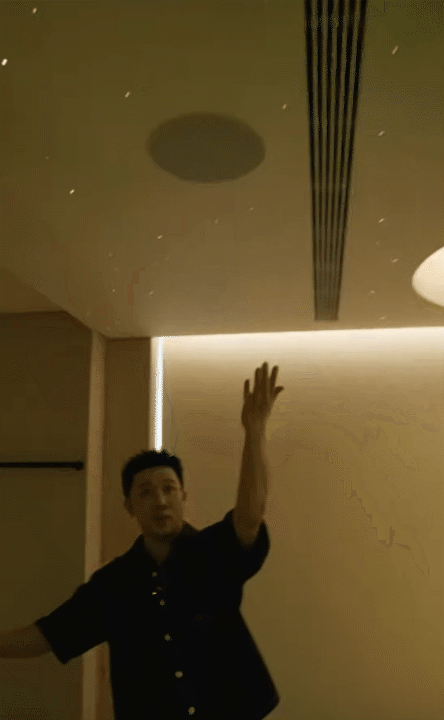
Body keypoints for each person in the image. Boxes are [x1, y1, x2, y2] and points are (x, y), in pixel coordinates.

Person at [0, 449, 280, 720]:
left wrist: (254, 431)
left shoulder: (213, 552)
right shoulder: (113, 583)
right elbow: (49, 634)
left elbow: (250, 516)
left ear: (183, 496)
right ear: (129, 506)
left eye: (169, 489)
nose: (160, 501)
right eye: (146, 492)